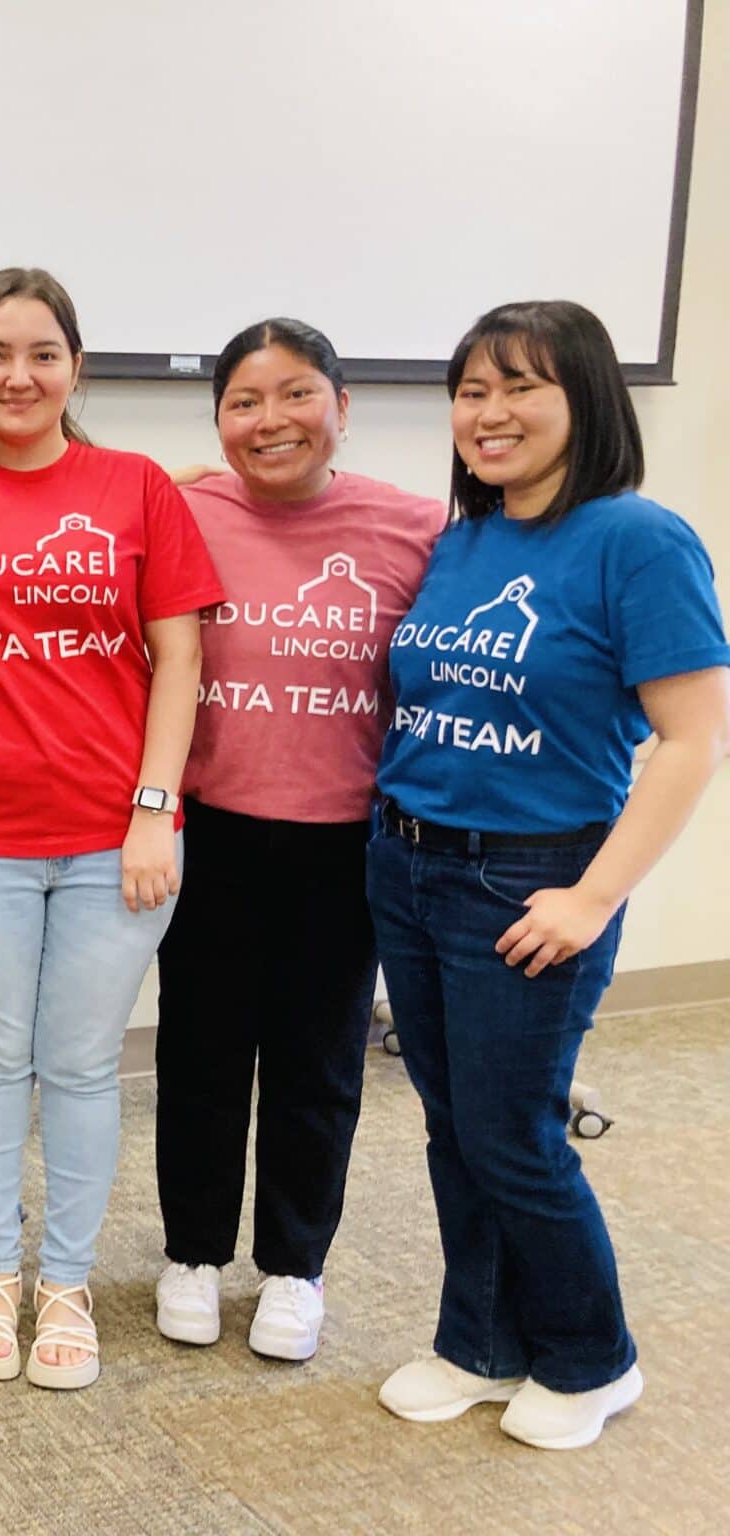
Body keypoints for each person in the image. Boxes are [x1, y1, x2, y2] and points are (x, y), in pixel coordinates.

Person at [368, 300, 730, 1449]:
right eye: (470, 391)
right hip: (408, 860)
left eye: (519, 386)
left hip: (529, 881)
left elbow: (691, 739)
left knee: (511, 1130)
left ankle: (590, 1357)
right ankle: (478, 1344)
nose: (489, 413)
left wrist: (590, 898)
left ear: (584, 397)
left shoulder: (636, 539)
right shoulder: (465, 539)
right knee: (450, 1125)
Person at [0, 267, 223, 1389]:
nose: (16, 376)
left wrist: (154, 815)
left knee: (75, 1067)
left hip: (115, 841)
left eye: (41, 354)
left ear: (74, 366)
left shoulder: (132, 489)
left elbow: (180, 658)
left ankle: (62, 1280)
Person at [151, 319, 444, 1361]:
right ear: (218, 419)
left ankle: (293, 1268)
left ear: (340, 406)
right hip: (211, 829)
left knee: (319, 1063)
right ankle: (189, 1252)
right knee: (198, 1050)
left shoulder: (415, 526)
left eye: (293, 395)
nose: (267, 421)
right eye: (242, 402)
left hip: (343, 845)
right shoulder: (180, 508)